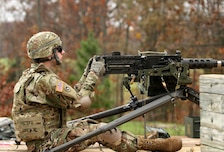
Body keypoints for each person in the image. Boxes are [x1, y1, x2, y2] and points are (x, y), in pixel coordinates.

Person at [12, 31, 182, 152]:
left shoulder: (31, 76)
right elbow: (82, 103)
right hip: (48, 145)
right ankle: (154, 146)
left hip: (42, 140)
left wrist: (87, 72)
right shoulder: (47, 80)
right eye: (59, 49)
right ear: (49, 53)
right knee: (101, 130)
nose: (63, 52)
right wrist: (94, 75)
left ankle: (138, 141)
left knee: (87, 124)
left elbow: (73, 96)